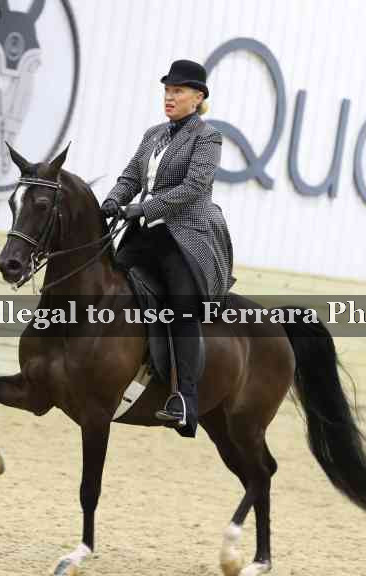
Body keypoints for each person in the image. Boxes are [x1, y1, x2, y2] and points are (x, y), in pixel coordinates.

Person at [100, 59, 235, 436]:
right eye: (167, 90)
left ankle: (185, 400)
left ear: (198, 97)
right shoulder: (154, 134)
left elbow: (193, 188)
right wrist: (112, 200)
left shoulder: (208, 137)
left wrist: (143, 208)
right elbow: (131, 176)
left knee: (181, 309)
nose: (169, 97)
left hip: (185, 237)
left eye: (178, 91)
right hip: (145, 236)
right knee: (105, 283)